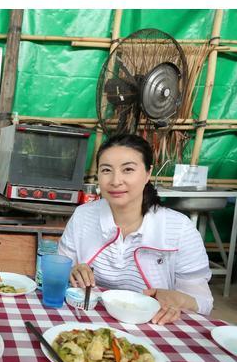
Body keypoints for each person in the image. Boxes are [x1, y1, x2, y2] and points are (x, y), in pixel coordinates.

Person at [59, 134, 213, 325]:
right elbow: (60, 268)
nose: (116, 181)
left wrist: (177, 299)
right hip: (88, 319)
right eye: (106, 170)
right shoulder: (83, 216)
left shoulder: (179, 228)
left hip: (153, 325)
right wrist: (71, 271)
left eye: (128, 169)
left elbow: (204, 302)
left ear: (148, 174)